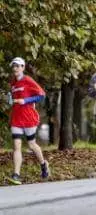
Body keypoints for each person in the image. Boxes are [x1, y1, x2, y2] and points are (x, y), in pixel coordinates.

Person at [7, 57, 50, 185]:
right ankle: (16, 175)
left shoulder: (28, 80)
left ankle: (43, 165)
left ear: (23, 67)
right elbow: (13, 99)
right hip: (16, 118)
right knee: (16, 146)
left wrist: (25, 101)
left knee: (32, 144)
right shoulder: (13, 83)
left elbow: (41, 95)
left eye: (17, 66)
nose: (15, 68)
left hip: (29, 118)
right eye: (13, 66)